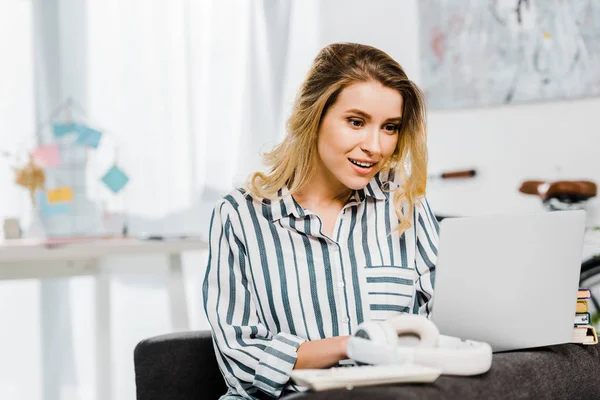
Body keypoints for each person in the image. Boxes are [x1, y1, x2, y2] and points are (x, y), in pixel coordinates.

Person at [203, 42, 439, 399]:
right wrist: (352, 346)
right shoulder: (240, 216)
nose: (375, 146)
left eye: (389, 127)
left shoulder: (405, 206)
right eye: (356, 122)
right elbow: (240, 359)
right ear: (314, 116)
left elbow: (444, 327)